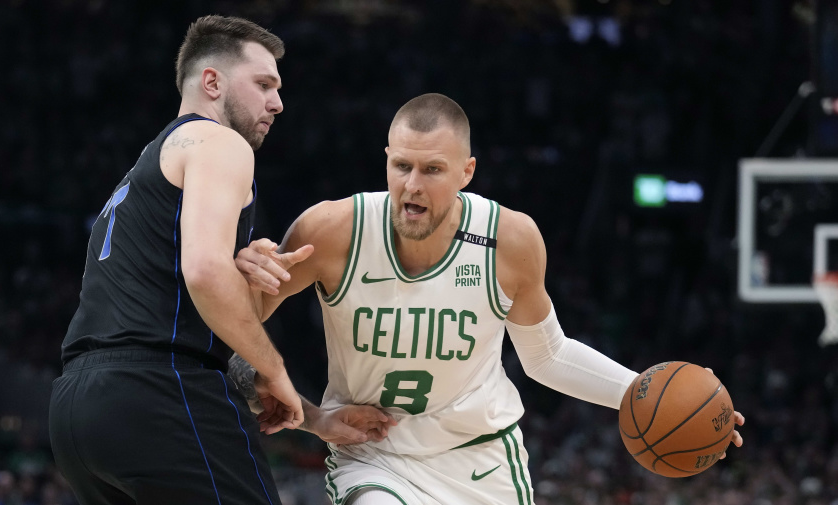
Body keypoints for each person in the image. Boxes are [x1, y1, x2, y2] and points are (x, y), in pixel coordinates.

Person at [233, 93, 746, 505]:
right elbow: (237, 334)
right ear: (386, 161)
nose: (412, 185)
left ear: (466, 172)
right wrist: (316, 415)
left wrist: (648, 395)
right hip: (375, 459)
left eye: (432, 170)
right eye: (402, 166)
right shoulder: (330, 231)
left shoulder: (511, 241)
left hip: (482, 458)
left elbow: (547, 355)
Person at [48, 15, 389, 505]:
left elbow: (183, 316)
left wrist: (311, 417)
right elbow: (204, 275)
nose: (278, 102)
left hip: (78, 413)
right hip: (158, 391)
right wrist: (273, 367)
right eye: (264, 84)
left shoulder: (147, 166)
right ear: (212, 82)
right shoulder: (218, 142)